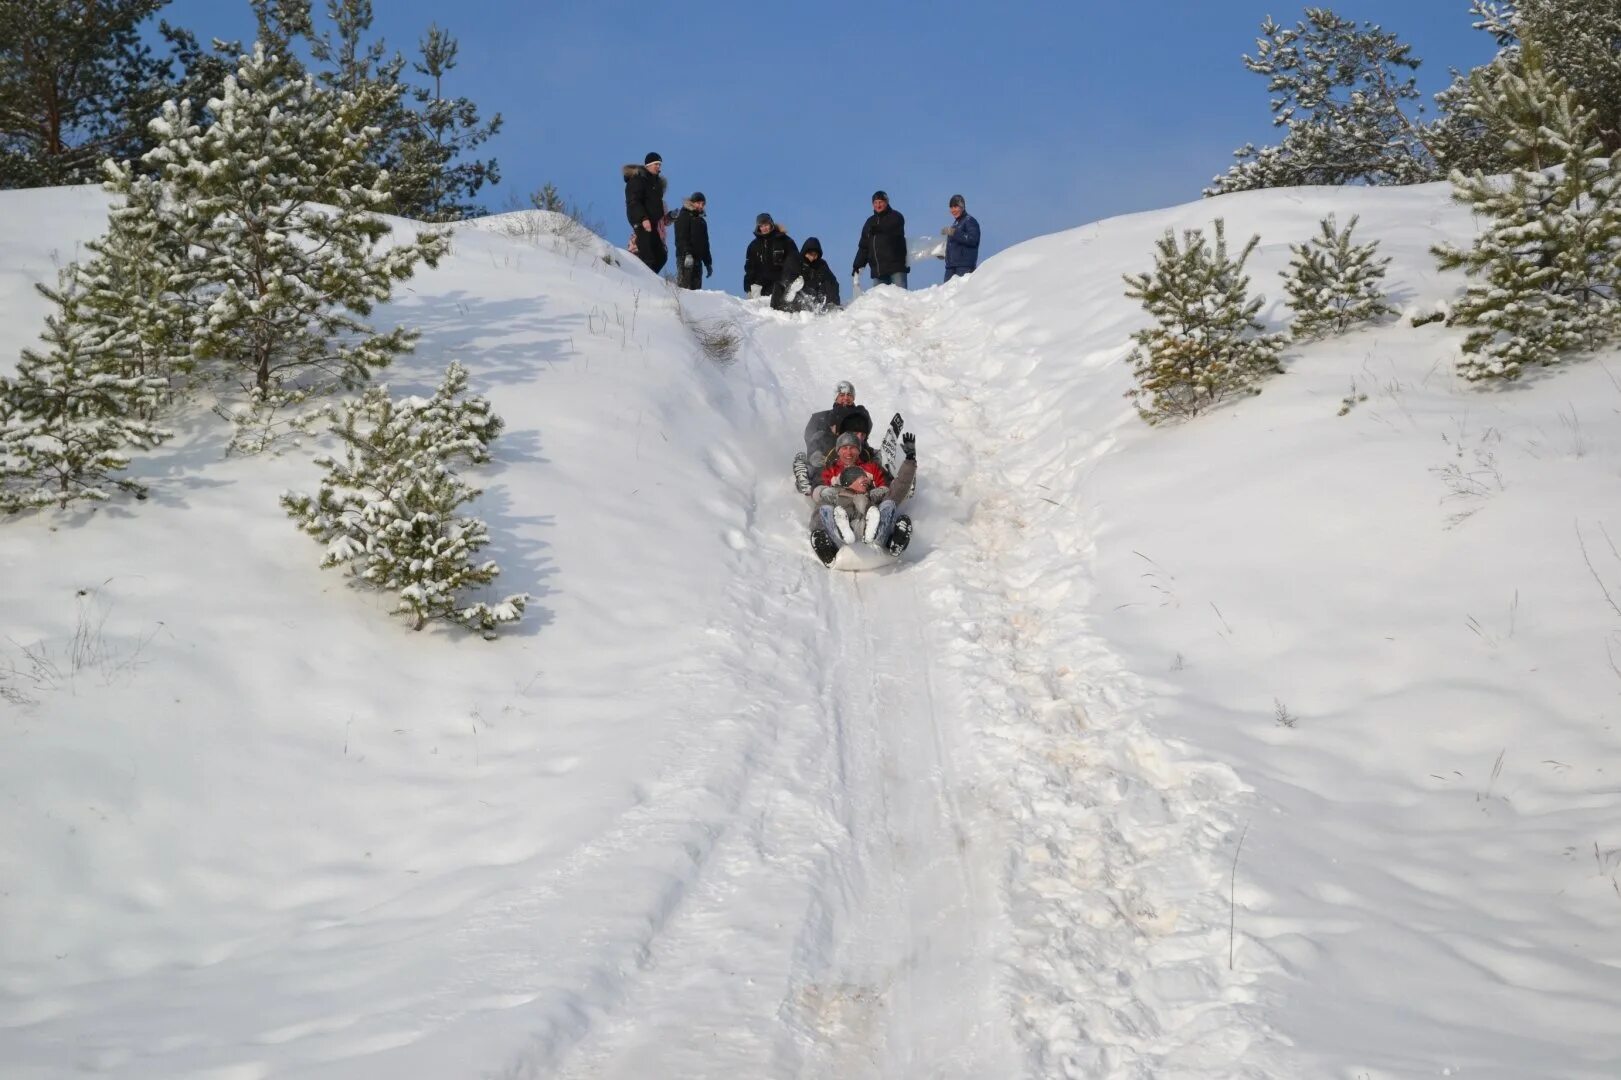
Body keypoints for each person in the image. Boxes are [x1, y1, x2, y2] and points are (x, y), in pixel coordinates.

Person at [807, 430, 916, 564]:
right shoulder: (831, 471)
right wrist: (823, 491)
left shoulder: (871, 468)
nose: (848, 452)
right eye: (844, 448)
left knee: (888, 503)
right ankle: (827, 543)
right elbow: (816, 488)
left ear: (859, 451)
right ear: (838, 451)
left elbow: (893, 489)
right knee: (824, 506)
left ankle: (892, 541)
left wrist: (910, 461)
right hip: (842, 512)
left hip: (869, 512)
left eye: (853, 448)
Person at [852, 190, 908, 291]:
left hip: (896, 268)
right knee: (880, 305)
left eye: (881, 202)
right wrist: (857, 265)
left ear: (886, 202)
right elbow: (864, 247)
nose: (878, 205)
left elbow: (894, 227)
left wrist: (880, 228)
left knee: (901, 301)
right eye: (875, 202)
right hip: (878, 272)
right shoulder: (869, 223)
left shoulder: (896, 216)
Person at [623, 152, 668, 273]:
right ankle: (639, 281)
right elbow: (633, 201)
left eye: (660, 164)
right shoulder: (638, 180)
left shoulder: (656, 183)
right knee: (648, 256)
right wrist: (643, 218)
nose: (658, 167)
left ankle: (650, 279)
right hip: (641, 222)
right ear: (648, 165)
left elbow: (657, 206)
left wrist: (667, 218)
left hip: (653, 224)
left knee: (661, 256)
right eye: (656, 164)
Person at [772, 237, 841, 313]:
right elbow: (788, 274)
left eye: (815, 255)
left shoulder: (821, 265)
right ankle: (776, 311)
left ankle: (830, 306)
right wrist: (794, 283)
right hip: (796, 294)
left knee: (828, 282)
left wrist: (833, 301)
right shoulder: (795, 259)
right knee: (779, 285)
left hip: (812, 297)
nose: (812, 257)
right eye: (810, 254)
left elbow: (832, 282)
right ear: (805, 252)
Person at [744, 212, 795, 298]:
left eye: (766, 225)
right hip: (760, 287)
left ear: (771, 224)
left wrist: (790, 281)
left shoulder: (784, 241)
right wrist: (748, 287)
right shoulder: (753, 246)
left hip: (780, 284)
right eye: (761, 226)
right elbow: (750, 268)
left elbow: (794, 261)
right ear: (758, 227)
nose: (764, 228)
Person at [672, 191, 712, 290]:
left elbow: (705, 244)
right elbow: (681, 237)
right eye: (698, 203)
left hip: (698, 260)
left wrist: (708, 263)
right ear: (692, 202)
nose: (701, 206)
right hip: (685, 257)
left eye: (703, 204)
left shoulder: (702, 221)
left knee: (696, 292)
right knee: (684, 288)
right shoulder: (684, 216)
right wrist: (687, 253)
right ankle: (679, 305)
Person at [942, 194, 981, 279]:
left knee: (962, 292)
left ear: (962, 207)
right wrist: (942, 253)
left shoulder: (970, 221)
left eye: (956, 207)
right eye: (951, 207)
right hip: (950, 267)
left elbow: (973, 239)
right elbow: (954, 245)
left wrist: (954, 232)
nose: (953, 210)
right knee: (947, 292)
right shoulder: (955, 224)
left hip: (964, 266)